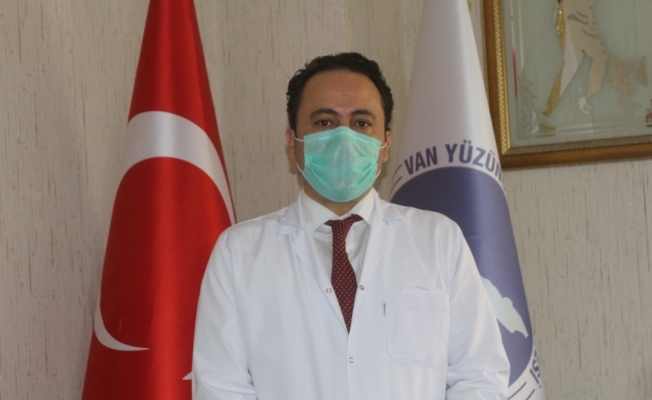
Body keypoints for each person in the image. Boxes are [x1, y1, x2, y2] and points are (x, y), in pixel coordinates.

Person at [192, 52, 509, 399]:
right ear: (293, 144)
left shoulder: (438, 241)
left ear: (385, 145)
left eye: (361, 123)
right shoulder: (239, 254)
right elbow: (221, 389)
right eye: (324, 122)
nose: (344, 138)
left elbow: (479, 378)